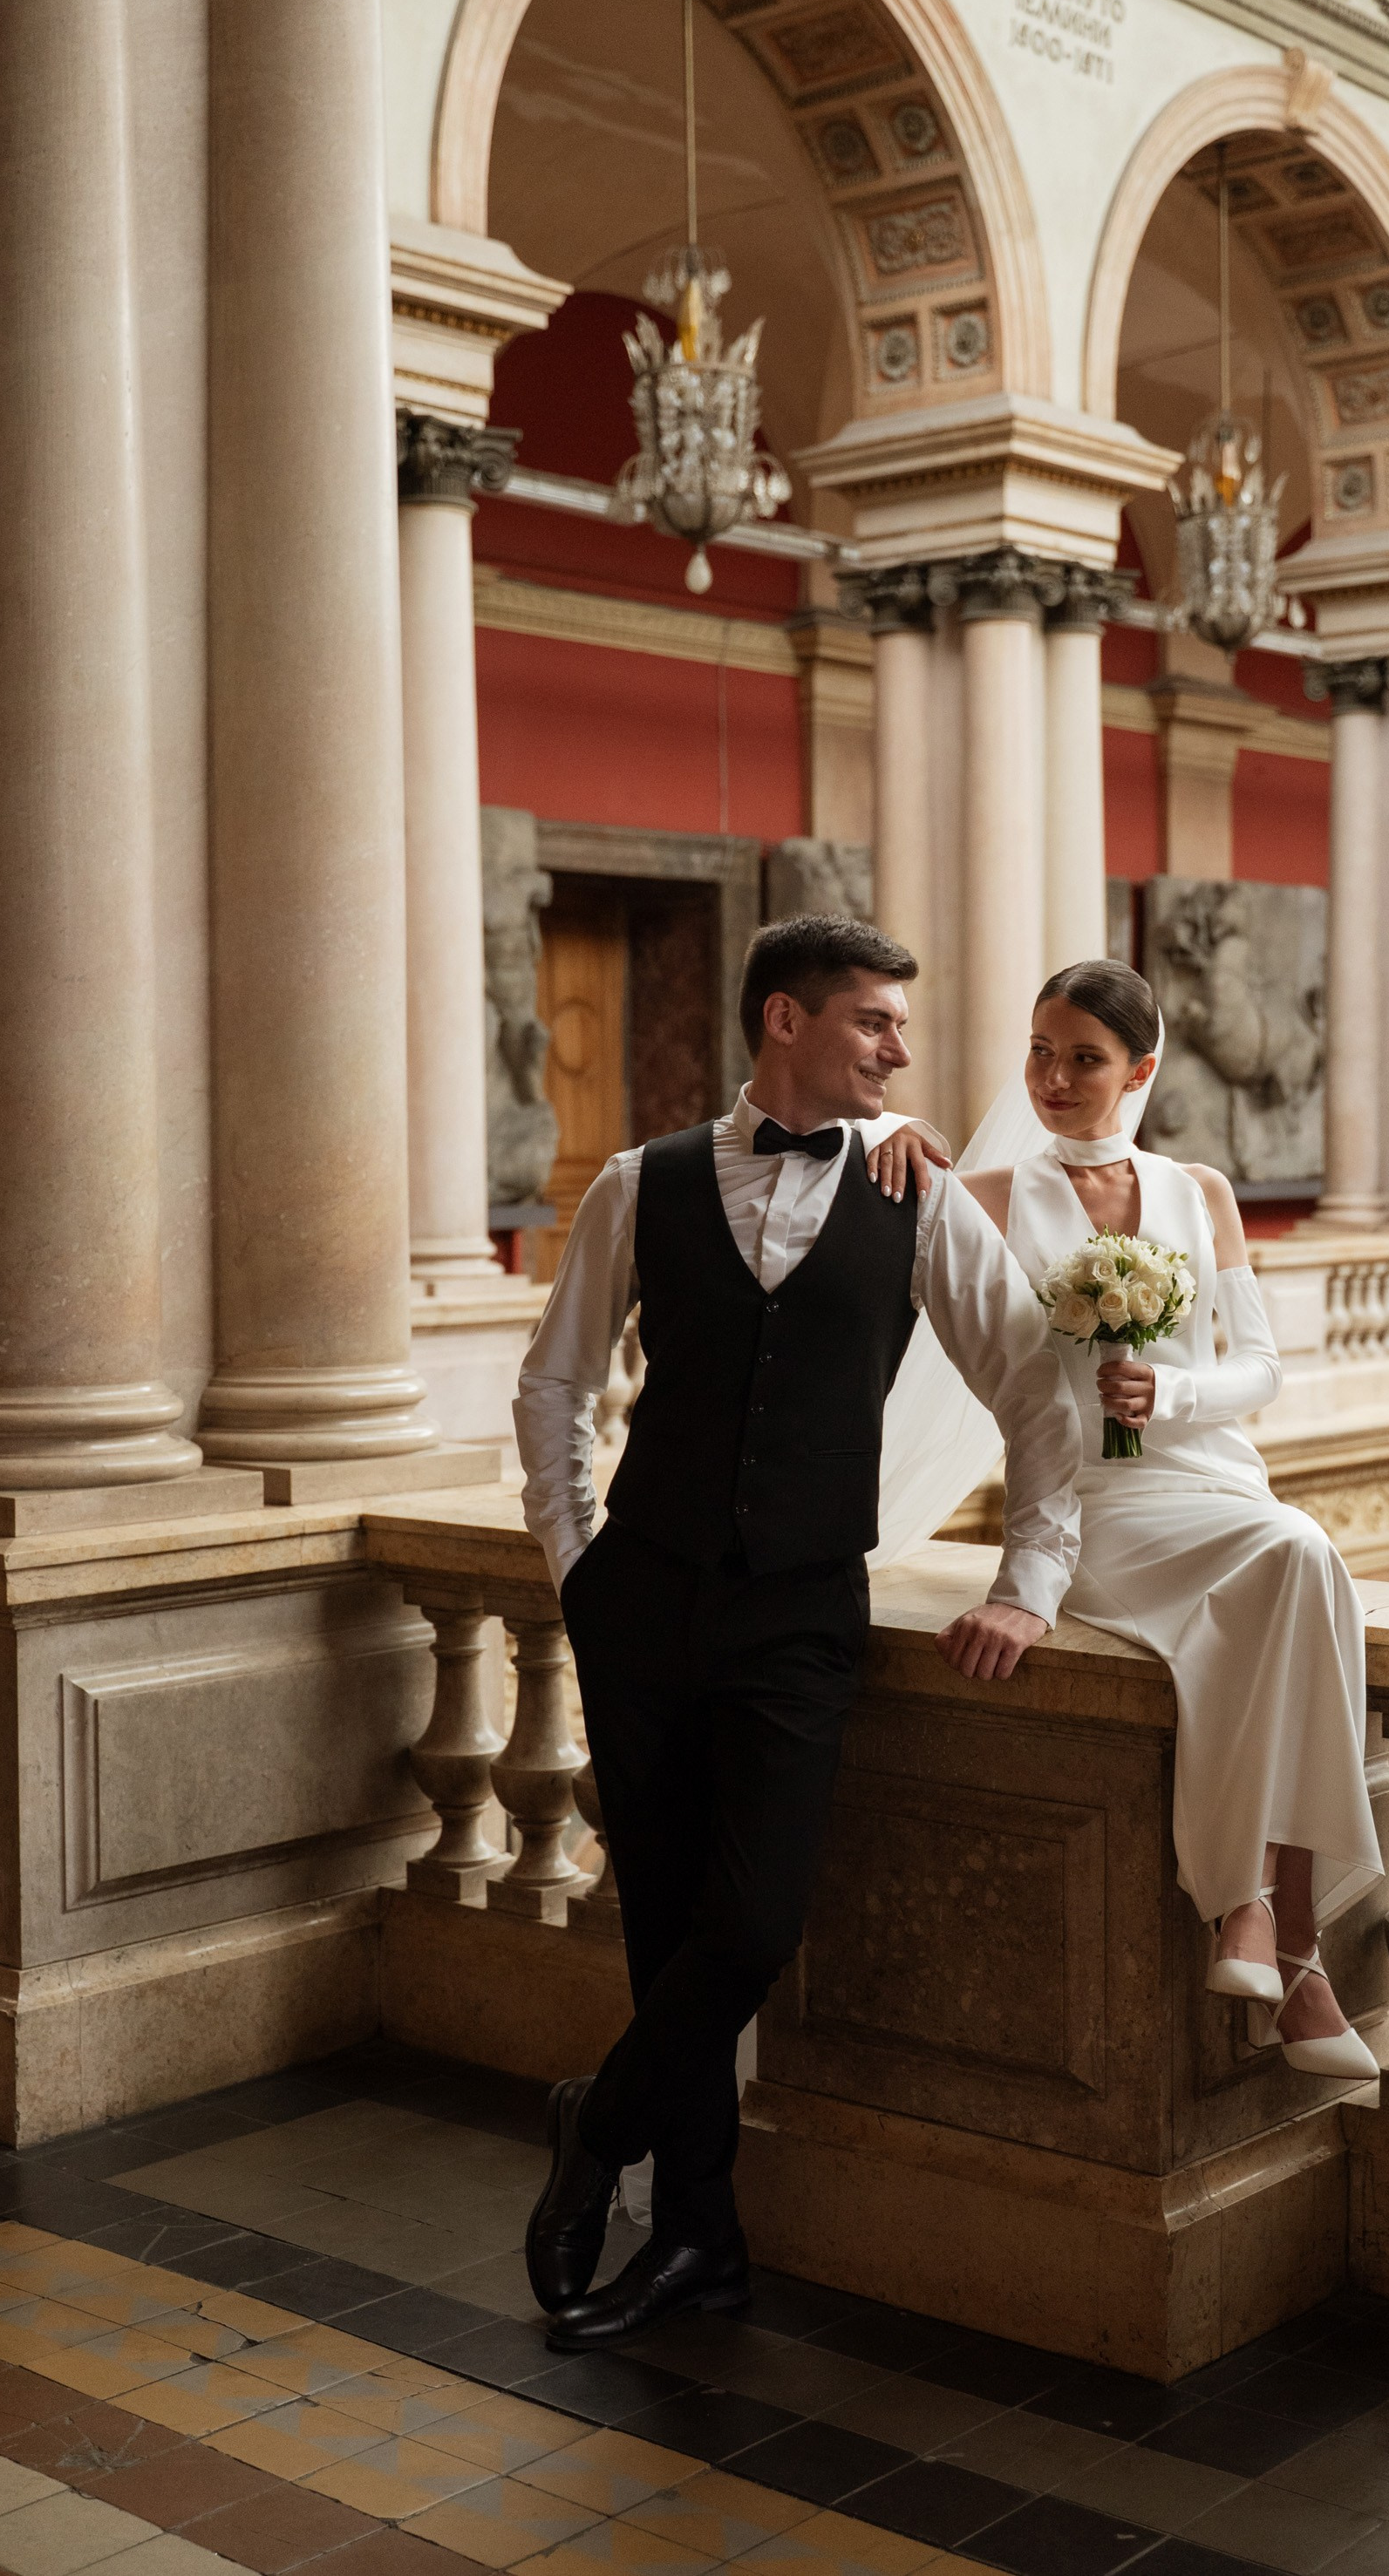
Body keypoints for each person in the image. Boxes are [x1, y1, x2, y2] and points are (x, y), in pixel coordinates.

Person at [513, 914, 1084, 2350]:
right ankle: (702, 2241)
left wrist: (1029, 1582)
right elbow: (555, 1380)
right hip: (640, 1601)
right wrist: (577, 1555)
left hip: (799, 1617)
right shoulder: (637, 1187)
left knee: (753, 1921)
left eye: (901, 1023)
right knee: (664, 1928)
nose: (902, 1046)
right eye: (874, 1022)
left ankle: (606, 2118)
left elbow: (1040, 1394)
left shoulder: (922, 1196)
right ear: (785, 1020)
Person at [880, 958, 1382, 2077]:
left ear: (1139, 1070)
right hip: (1094, 1505)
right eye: (1039, 1052)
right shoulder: (993, 1198)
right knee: (1302, 1562)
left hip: (1213, 1476)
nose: (1053, 1077)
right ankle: (1273, 1938)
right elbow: (854, 1199)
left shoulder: (1200, 1192)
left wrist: (1174, 1395)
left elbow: (1256, 1367)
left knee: (1295, 1563)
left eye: (1085, 1059)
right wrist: (906, 1123)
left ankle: (1271, 1931)